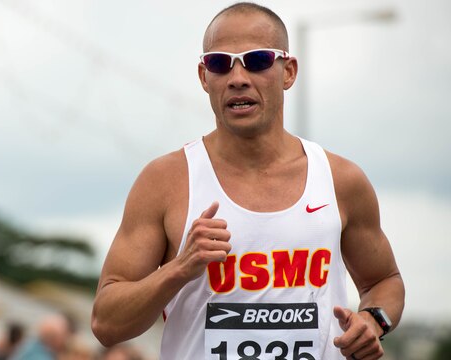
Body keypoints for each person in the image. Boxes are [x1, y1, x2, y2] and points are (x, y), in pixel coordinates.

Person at [91, 2, 405, 360]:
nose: (238, 78)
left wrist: (373, 319)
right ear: (204, 77)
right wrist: (179, 269)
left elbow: (384, 281)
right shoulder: (165, 181)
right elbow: (106, 324)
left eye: (256, 61)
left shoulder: (340, 179)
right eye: (220, 63)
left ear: (288, 72)